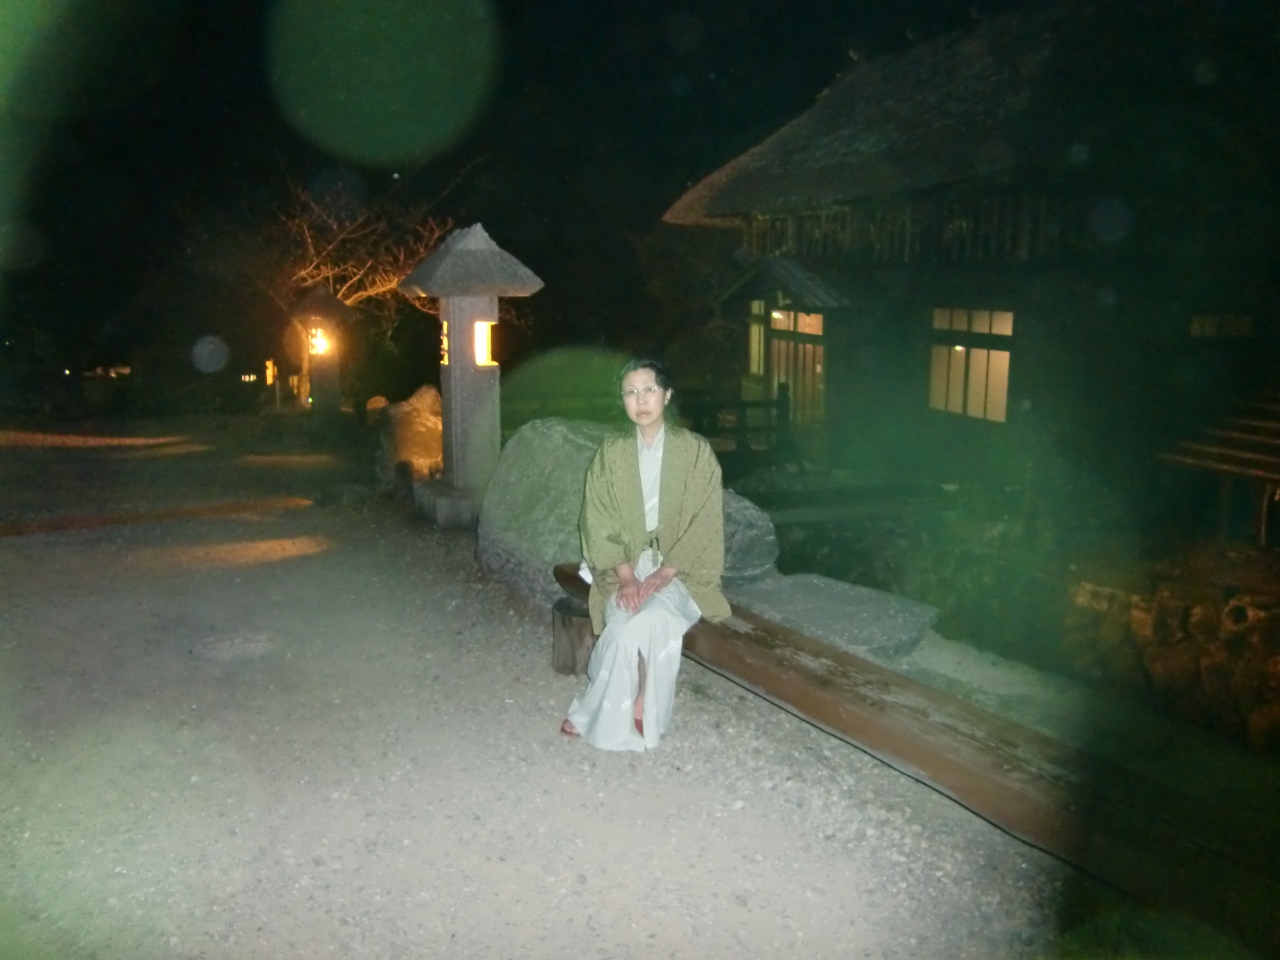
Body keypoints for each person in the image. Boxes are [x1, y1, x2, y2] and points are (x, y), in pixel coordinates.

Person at [561, 359, 730, 751]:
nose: (640, 400)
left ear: (666, 395)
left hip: (682, 567)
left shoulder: (695, 451)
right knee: (623, 623)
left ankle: (633, 705)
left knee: (653, 618)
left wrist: (667, 571)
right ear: (622, 399)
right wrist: (626, 576)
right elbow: (597, 518)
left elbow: (706, 519)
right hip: (625, 563)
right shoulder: (611, 453)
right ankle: (606, 708)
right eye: (630, 392)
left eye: (649, 390)